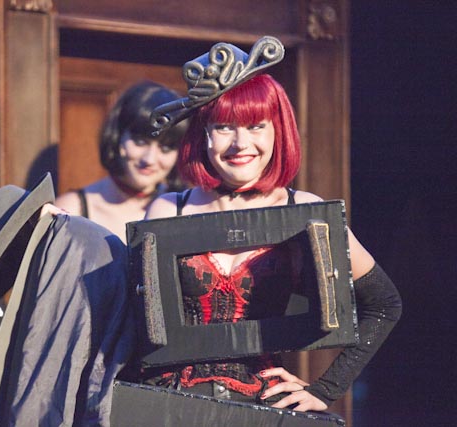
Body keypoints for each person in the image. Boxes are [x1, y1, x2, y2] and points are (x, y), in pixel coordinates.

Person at [143, 37, 402, 412]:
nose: (240, 143)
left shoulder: (307, 211)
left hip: (262, 405)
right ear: (203, 134)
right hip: (170, 406)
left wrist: (326, 389)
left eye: (255, 126)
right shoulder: (169, 210)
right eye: (224, 127)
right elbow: (131, 319)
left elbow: (384, 303)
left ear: (276, 130)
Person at [54, 81, 188, 242]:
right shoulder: (71, 210)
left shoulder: (187, 208)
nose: (149, 159)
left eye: (166, 148)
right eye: (140, 142)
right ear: (118, 136)